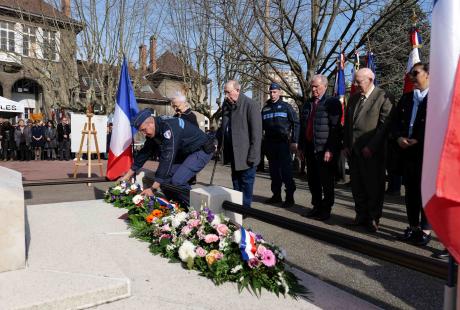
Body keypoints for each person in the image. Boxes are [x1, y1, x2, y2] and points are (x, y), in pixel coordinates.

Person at [120, 109, 215, 204]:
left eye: (144, 130)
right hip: (187, 152)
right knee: (164, 181)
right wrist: (127, 176)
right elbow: (144, 153)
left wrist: (153, 189)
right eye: (142, 131)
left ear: (151, 123)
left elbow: (168, 157)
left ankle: (198, 209)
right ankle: (175, 207)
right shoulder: (154, 130)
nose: (144, 133)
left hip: (201, 149)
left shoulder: (168, 127)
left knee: (178, 181)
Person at [343, 68, 393, 232]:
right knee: (357, 186)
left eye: (359, 81)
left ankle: (373, 218)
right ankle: (360, 216)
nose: (356, 85)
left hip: (373, 152)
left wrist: (371, 147)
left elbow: (384, 127)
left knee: (374, 186)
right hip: (354, 151)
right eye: (355, 81)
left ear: (371, 79)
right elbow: (349, 125)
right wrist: (347, 145)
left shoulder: (383, 97)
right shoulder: (354, 98)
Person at [393, 62, 431, 246]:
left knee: (426, 192)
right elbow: (395, 123)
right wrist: (399, 138)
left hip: (427, 153)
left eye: (415, 73)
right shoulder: (406, 99)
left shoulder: (438, 98)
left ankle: (425, 230)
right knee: (410, 192)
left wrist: (420, 140)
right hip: (407, 153)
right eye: (410, 73)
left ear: (428, 75)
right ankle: (413, 227)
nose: (411, 77)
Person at [298, 75, 342, 220]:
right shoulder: (307, 104)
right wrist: (300, 147)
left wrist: (330, 149)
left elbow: (335, 129)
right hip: (310, 148)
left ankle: (326, 209)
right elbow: (302, 126)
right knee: (312, 180)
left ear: (324, 86)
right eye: (312, 86)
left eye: (316, 86)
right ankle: (316, 206)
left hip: (324, 149)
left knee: (326, 181)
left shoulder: (332, 102)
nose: (313, 89)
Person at [218, 80, 262, 208]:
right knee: (236, 183)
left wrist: (253, 156)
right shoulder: (227, 105)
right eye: (225, 92)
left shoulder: (251, 105)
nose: (226, 96)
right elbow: (223, 127)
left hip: (247, 155)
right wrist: (218, 142)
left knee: (246, 184)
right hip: (234, 154)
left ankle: (245, 209)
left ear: (237, 90)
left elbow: (256, 134)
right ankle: (237, 208)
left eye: (228, 92)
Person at [261, 82, 299, 208]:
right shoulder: (265, 108)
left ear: (280, 92)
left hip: (283, 144)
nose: (272, 94)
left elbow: (296, 123)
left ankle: (289, 198)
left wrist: (294, 141)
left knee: (286, 172)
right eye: (271, 92)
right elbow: (260, 127)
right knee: (274, 172)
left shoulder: (286, 107)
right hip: (270, 145)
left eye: (275, 92)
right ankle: (276, 196)